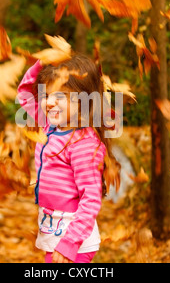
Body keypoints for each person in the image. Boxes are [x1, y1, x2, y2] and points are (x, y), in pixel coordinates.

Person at [17, 54, 120, 263]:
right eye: (47, 94)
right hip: (54, 230)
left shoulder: (83, 144)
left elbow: (90, 198)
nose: (50, 102)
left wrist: (69, 244)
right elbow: (25, 96)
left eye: (62, 96)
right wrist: (42, 62)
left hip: (72, 238)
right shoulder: (49, 126)